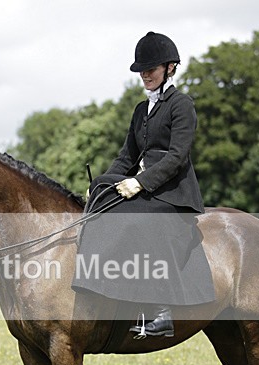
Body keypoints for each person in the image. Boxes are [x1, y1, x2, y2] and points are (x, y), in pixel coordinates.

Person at [72, 31, 213, 339]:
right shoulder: (141, 110)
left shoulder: (181, 105)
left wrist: (139, 183)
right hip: (146, 187)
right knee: (104, 207)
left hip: (174, 193)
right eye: (142, 70)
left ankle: (161, 311)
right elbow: (127, 157)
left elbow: (177, 157)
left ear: (170, 68)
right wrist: (102, 186)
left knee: (135, 222)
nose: (145, 75)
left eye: (151, 69)